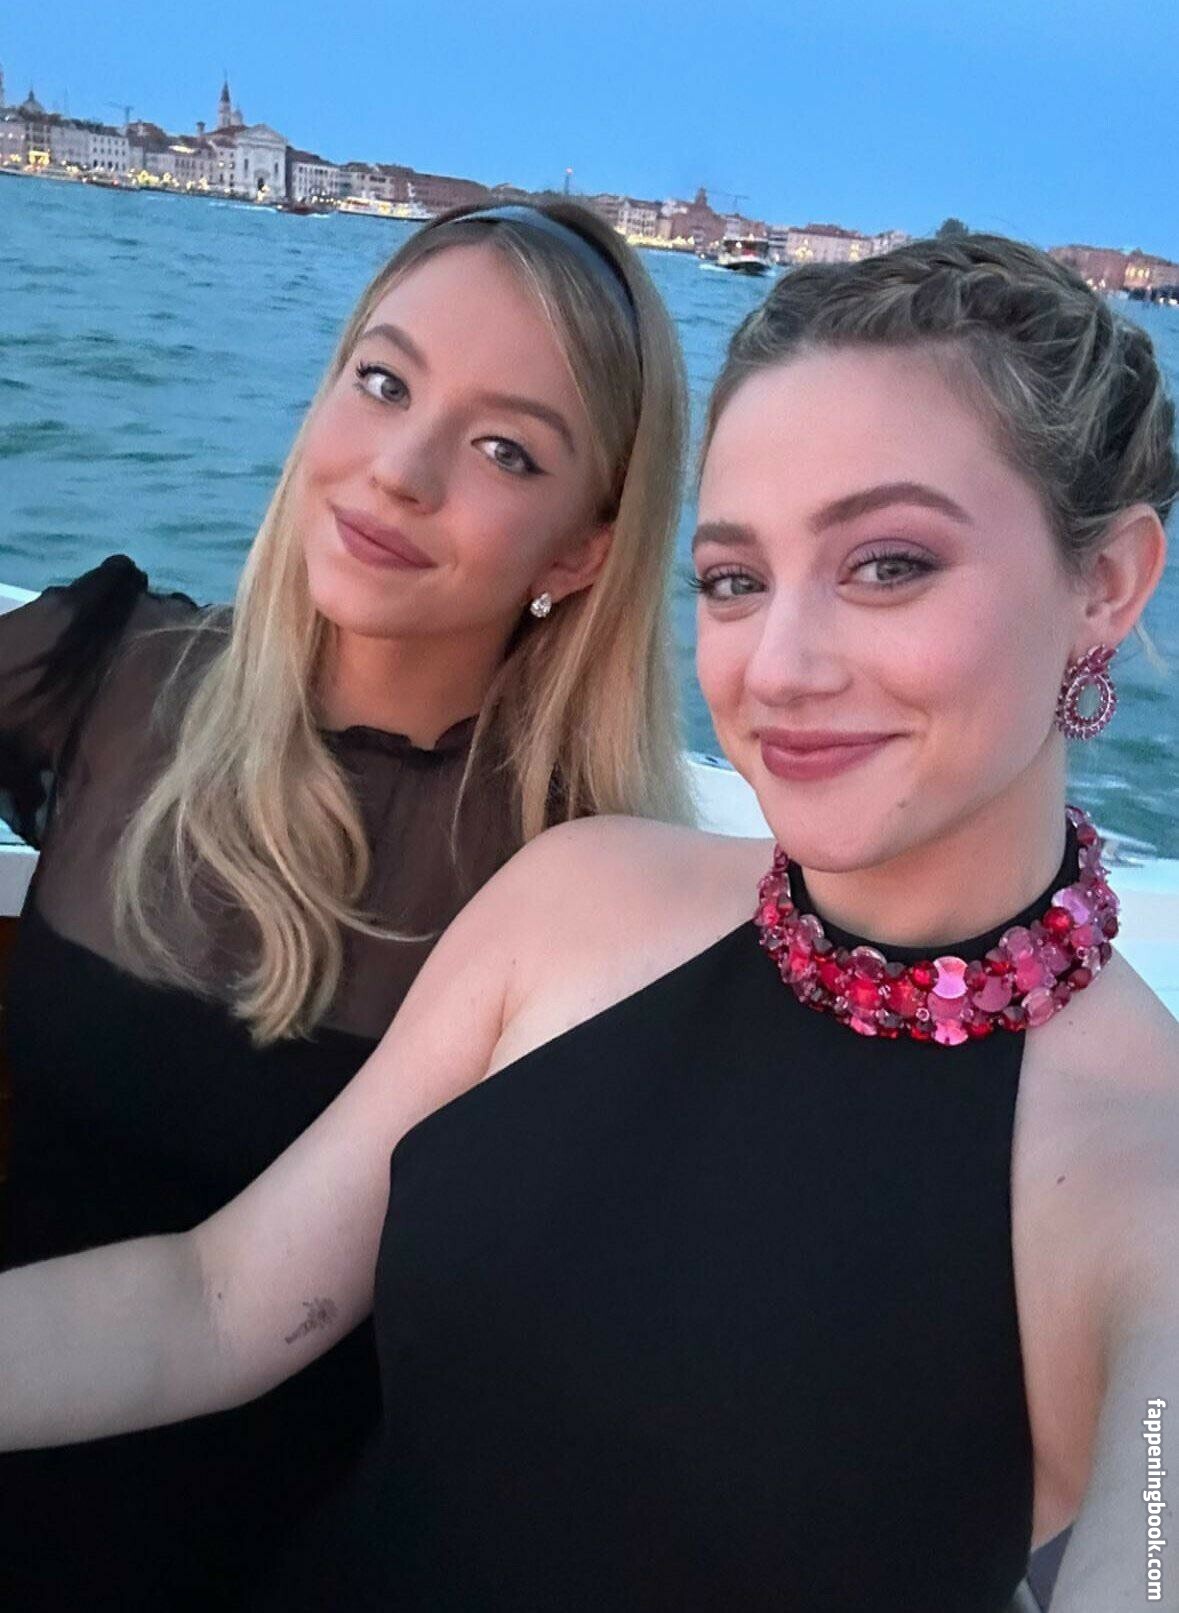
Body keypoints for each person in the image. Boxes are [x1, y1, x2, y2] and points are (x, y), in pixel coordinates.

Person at [4, 233, 1177, 1612]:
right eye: (735, 579)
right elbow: (217, 1302)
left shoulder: (1144, 1190)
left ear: (1106, 583)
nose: (781, 667)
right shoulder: (579, 896)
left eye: (888, 564)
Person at [0, 199, 691, 1611]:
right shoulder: (109, 670)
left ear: (579, 551)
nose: (399, 470)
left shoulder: (581, 889)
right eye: (383, 382)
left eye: (506, 450)